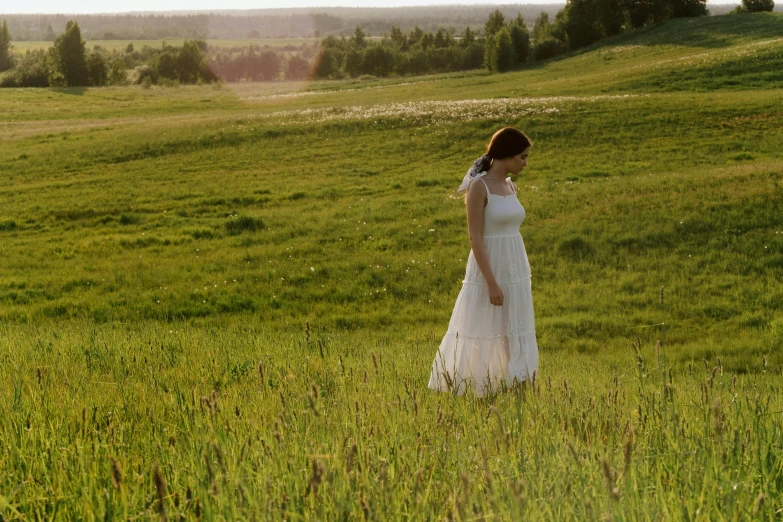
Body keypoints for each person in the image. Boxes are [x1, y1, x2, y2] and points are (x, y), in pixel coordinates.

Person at [428, 127, 539, 397]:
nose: (525, 163)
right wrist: (491, 283)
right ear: (508, 154)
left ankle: (518, 384)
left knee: (515, 325)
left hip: (515, 268)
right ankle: (477, 387)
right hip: (489, 269)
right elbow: (475, 238)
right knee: (483, 325)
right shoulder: (480, 186)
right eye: (522, 157)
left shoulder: (510, 185)